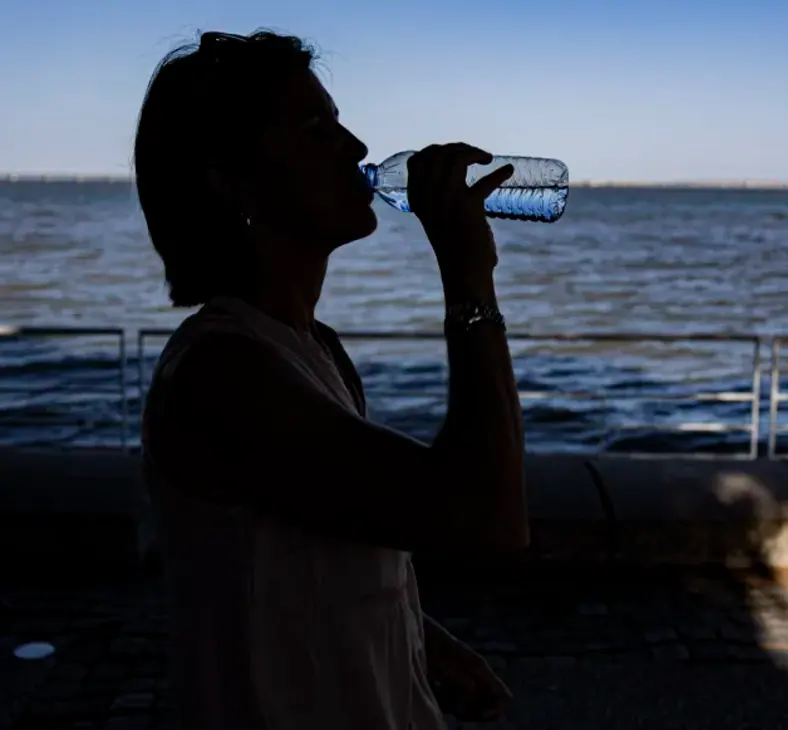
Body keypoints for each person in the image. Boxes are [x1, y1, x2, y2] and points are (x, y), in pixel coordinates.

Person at [135, 31, 527, 730]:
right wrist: (469, 280)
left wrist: (420, 639)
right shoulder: (224, 375)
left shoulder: (309, 348)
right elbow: (489, 518)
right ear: (230, 179)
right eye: (316, 130)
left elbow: (304, 552)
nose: (354, 147)